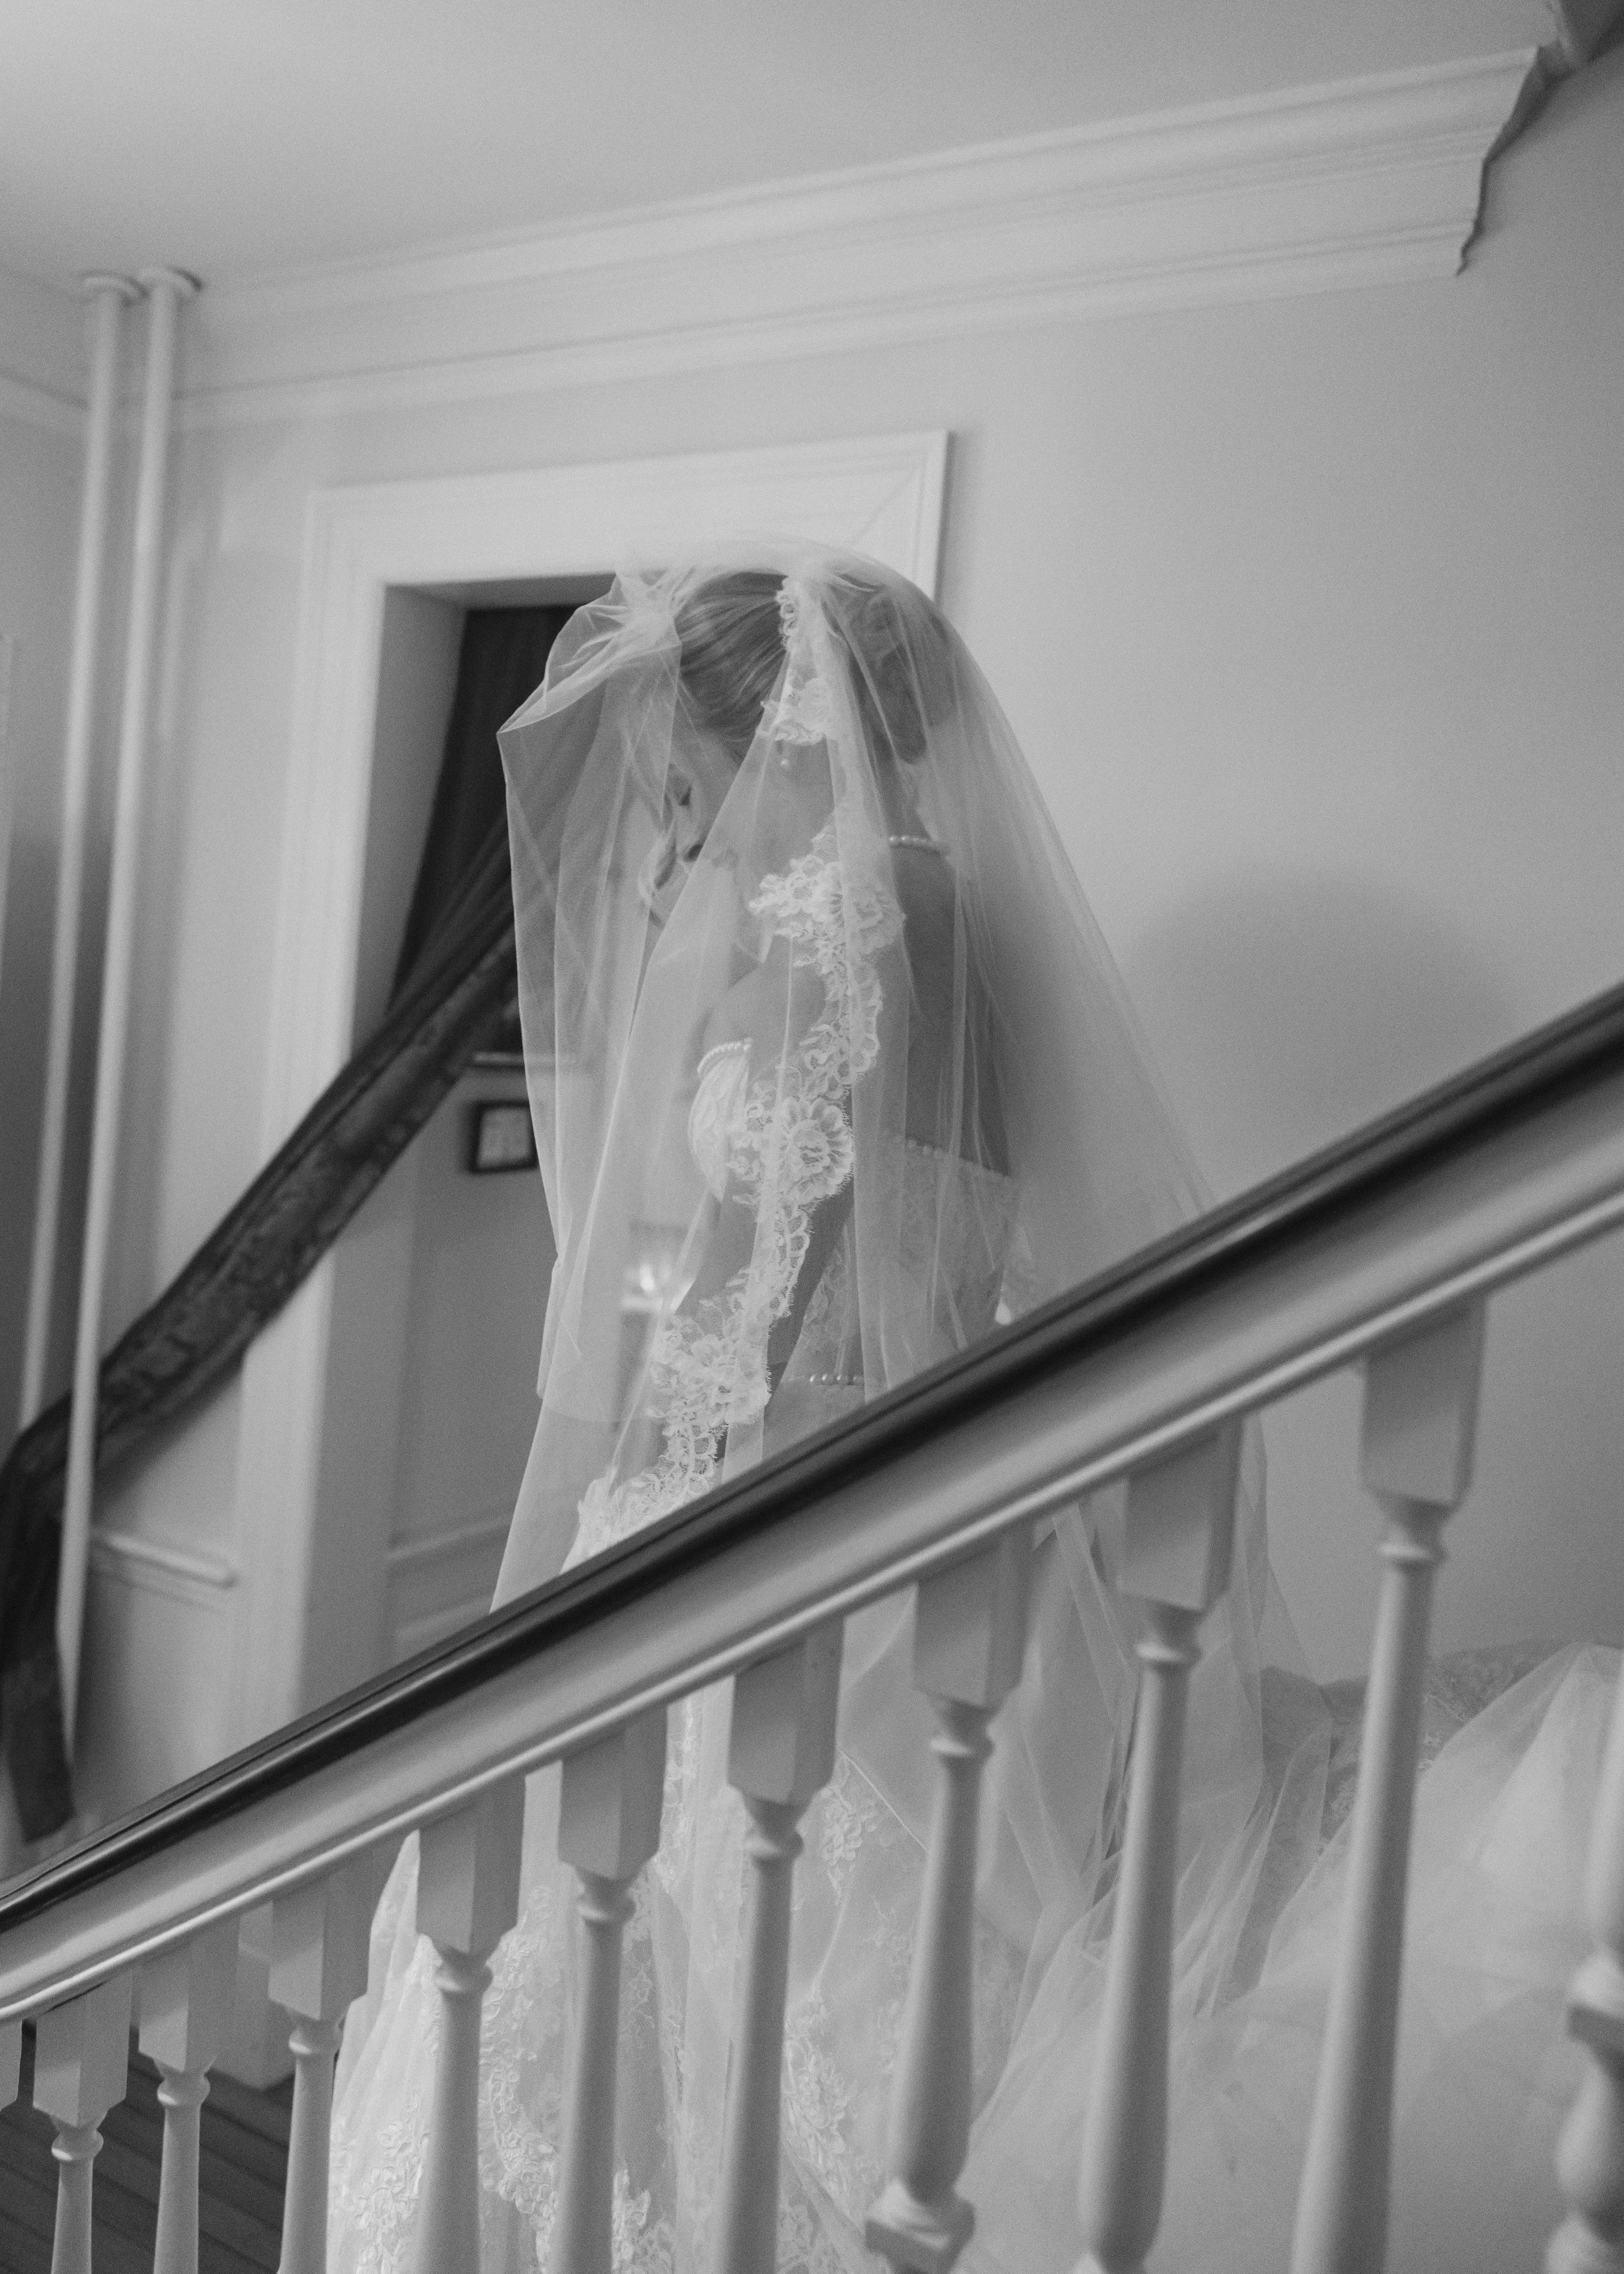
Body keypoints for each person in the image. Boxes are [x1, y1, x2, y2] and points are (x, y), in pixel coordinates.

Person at [326, 547, 1608, 2272]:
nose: (668, 820)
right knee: (928, 1990)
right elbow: (954, 1267)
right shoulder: (968, 923)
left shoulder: (808, 932)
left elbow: (696, 1349)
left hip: (763, 1522)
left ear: (763, 732)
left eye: (677, 774)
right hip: (952, 1512)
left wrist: (538, 1584)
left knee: (673, 1981)